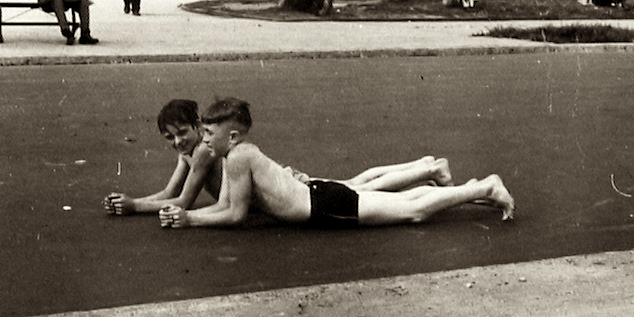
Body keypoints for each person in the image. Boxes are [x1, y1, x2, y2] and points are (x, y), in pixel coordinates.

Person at [157, 98, 514, 229]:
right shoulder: (236, 155)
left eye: (209, 133)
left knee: (413, 212)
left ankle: (484, 187)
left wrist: (190, 219)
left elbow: (236, 216)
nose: (204, 140)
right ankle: (469, 187)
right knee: (406, 202)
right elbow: (224, 206)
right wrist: (188, 216)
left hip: (325, 206)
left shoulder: (238, 157)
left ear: (232, 136)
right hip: (320, 197)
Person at [104, 99, 457, 216]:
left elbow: (183, 200)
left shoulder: (203, 153)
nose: (178, 142)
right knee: (358, 185)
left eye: (183, 133)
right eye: (170, 138)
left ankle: (429, 169)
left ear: (198, 127)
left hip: (286, 193)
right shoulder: (199, 150)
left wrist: (134, 206)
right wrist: (135, 201)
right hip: (281, 191)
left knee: (359, 187)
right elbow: (170, 194)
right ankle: (425, 166)